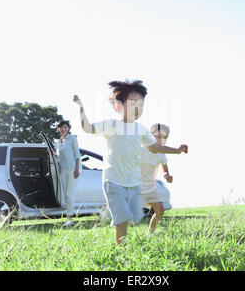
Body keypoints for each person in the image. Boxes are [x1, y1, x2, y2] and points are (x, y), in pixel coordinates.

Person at [73, 80, 188, 246]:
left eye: (141, 104)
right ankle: (122, 252)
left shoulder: (140, 129)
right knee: (122, 220)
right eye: (133, 103)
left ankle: (112, 215)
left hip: (132, 182)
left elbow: (155, 147)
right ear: (119, 106)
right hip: (113, 180)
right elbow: (88, 128)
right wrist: (81, 107)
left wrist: (176, 150)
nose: (138, 108)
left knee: (133, 217)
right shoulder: (112, 125)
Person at [141, 123, 178, 235]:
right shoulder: (141, 150)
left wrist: (167, 175)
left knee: (160, 211)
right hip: (134, 186)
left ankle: (150, 233)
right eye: (158, 136)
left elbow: (165, 170)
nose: (161, 140)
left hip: (150, 187)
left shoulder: (161, 154)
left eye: (165, 137)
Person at [54, 120, 82, 227]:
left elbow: (77, 154)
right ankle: (68, 218)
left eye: (66, 127)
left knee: (70, 195)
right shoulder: (59, 142)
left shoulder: (72, 138)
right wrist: (52, 152)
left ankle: (71, 219)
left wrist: (77, 169)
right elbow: (58, 155)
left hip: (72, 170)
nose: (64, 129)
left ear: (68, 128)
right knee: (66, 195)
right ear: (58, 129)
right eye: (61, 127)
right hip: (63, 171)